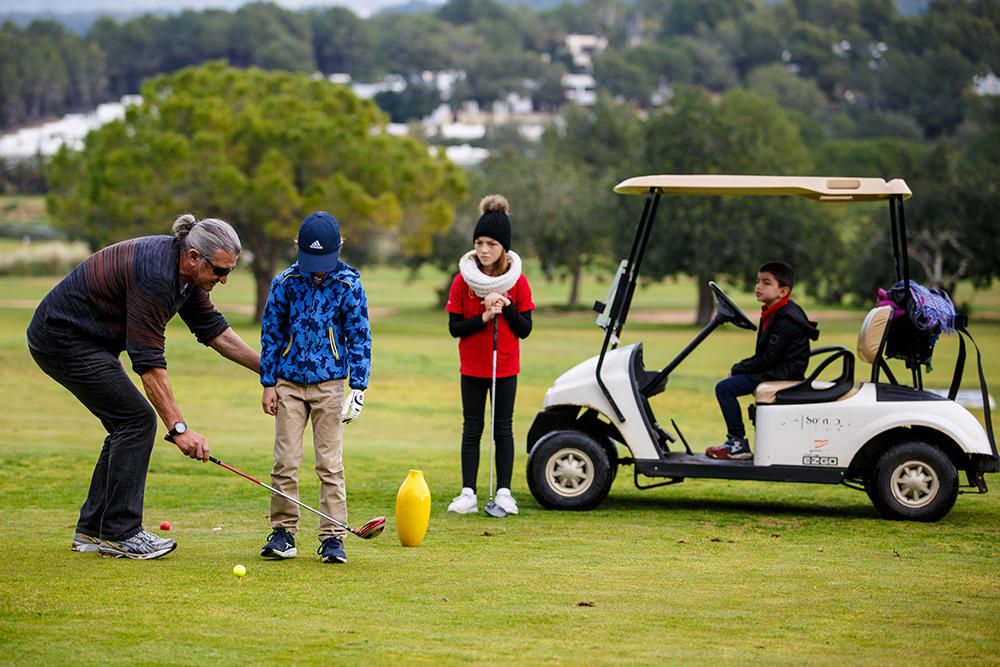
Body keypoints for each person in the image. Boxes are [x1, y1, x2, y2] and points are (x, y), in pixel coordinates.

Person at [27, 214, 261, 559]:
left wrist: (269, 370)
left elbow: (213, 329)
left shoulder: (187, 276)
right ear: (194, 256)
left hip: (90, 342)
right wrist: (179, 429)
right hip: (62, 339)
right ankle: (121, 533)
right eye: (220, 271)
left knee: (126, 423)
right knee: (136, 420)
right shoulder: (155, 276)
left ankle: (93, 531)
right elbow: (148, 362)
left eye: (230, 271)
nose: (224, 280)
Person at [258, 211, 371, 564]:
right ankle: (283, 533)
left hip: (331, 385)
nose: (318, 269)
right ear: (297, 247)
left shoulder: (349, 283)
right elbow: (272, 335)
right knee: (285, 461)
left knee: (329, 465)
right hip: (288, 383)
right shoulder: (285, 282)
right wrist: (268, 382)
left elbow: (359, 336)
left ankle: (333, 537)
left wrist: (359, 386)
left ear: (340, 246)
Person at [445, 195, 534, 515]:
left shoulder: (518, 282)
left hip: (505, 366)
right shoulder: (462, 281)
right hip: (472, 367)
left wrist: (506, 307)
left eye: (491, 244)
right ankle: (468, 492)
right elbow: (455, 328)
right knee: (472, 428)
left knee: (503, 428)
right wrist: (483, 317)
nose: (483, 250)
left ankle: (505, 492)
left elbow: (525, 328)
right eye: (479, 242)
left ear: (504, 248)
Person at [706, 261, 819, 460]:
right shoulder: (775, 311)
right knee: (730, 384)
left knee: (725, 388)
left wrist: (737, 368)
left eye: (766, 283)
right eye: (758, 281)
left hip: (783, 374)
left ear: (783, 291)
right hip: (778, 369)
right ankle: (737, 441)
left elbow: (766, 359)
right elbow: (767, 358)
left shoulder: (785, 319)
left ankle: (737, 442)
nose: (758, 287)